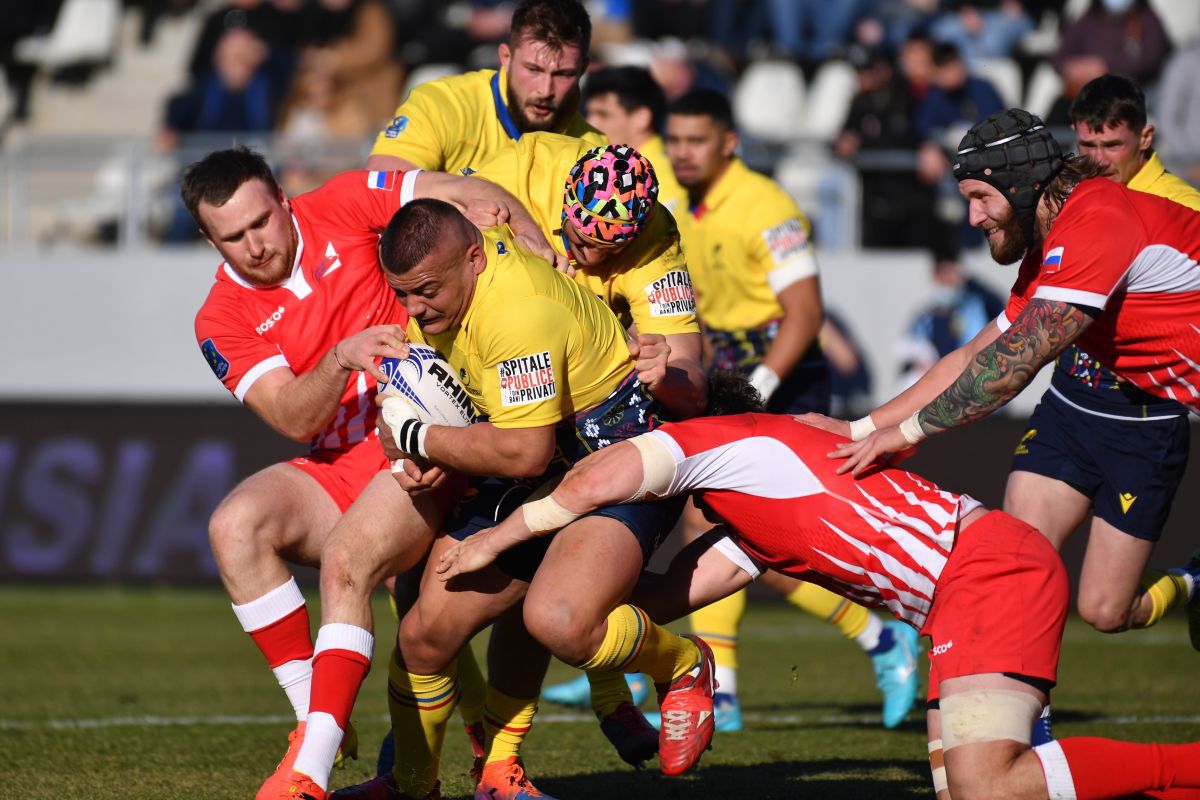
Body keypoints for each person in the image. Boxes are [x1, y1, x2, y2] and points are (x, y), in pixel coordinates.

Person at [434, 404, 1200, 800]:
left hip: (989, 574)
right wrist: (550, 600)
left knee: (988, 787)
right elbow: (661, 600)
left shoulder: (724, 441)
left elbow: (597, 479)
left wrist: (494, 542)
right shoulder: (752, 513)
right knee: (977, 792)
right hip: (965, 594)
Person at [182, 147, 550, 800]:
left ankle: (309, 773)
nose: (255, 245)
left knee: (354, 566)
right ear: (211, 241)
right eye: (233, 237)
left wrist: (535, 243)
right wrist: (340, 358)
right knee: (234, 525)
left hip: (421, 443)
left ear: (283, 200)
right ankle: (315, 719)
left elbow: (461, 190)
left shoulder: (345, 202)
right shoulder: (220, 319)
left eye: (261, 222)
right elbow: (292, 416)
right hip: (339, 462)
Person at [331, 198, 701, 800]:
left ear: (474, 259)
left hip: (613, 454)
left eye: (427, 291)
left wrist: (419, 438)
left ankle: (682, 663)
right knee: (425, 635)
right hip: (535, 455)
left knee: (557, 619)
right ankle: (414, 785)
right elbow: (410, 406)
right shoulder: (450, 281)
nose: (415, 309)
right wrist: (412, 452)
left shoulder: (518, 311)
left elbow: (524, 452)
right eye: (403, 294)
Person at [816, 108, 1200, 648]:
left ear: (1021, 184)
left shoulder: (1098, 219)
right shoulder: (1051, 246)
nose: (973, 217)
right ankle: (1013, 701)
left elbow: (1012, 367)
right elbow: (973, 355)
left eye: (980, 197)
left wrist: (905, 435)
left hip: (1145, 420)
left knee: (1105, 610)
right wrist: (859, 429)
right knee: (1016, 564)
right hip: (1078, 412)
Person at [663, 87, 919, 732]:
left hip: (782, 379)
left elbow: (804, 316)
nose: (683, 152)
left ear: (729, 143)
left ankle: (878, 636)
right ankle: (725, 688)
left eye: (696, 140)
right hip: (731, 376)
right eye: (675, 140)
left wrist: (758, 389)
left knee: (763, 536)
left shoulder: (767, 207)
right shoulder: (680, 202)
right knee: (717, 525)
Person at [365, 0, 605, 177]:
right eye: (533, 69)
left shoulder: (593, 152)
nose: (545, 90)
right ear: (506, 57)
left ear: (583, 69)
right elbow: (380, 187)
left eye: (562, 74)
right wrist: (473, 194)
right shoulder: (442, 104)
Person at [583, 65, 686, 215]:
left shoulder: (663, 182)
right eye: (589, 113)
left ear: (641, 118)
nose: (591, 123)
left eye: (603, 114)